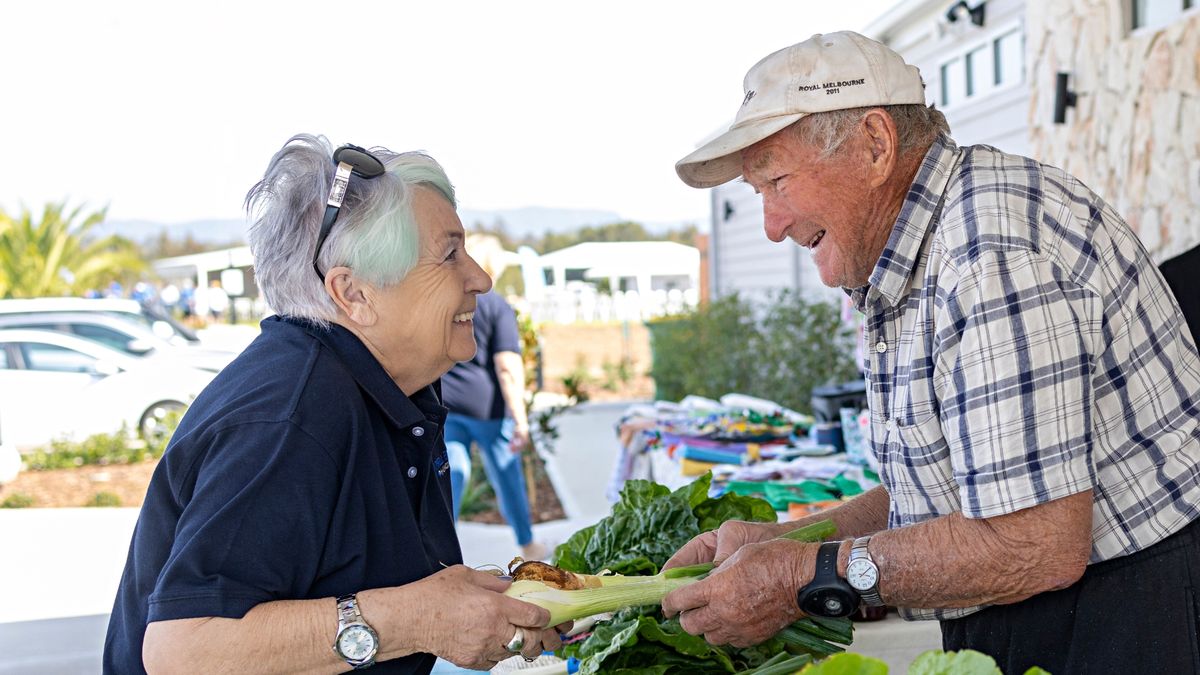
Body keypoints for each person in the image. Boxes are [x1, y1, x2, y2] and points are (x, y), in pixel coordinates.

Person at [660, 31, 1200, 673]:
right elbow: (955, 490)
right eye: (759, 195)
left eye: (777, 182)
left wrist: (801, 576)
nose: (773, 226)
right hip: (1060, 599)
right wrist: (788, 540)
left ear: (875, 144)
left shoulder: (987, 258)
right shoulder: (922, 240)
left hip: (1127, 615)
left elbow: (1035, 543)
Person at [104, 134, 565, 673]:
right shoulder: (291, 414)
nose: (481, 279)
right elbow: (184, 651)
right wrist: (418, 619)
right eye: (449, 255)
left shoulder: (383, 384)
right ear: (354, 294)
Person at [441, 235, 547, 561]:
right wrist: (520, 419)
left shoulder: (447, 302)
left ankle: (442, 552)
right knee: (506, 478)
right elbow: (507, 367)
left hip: (448, 406)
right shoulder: (498, 306)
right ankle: (528, 545)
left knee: (452, 477)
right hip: (488, 411)